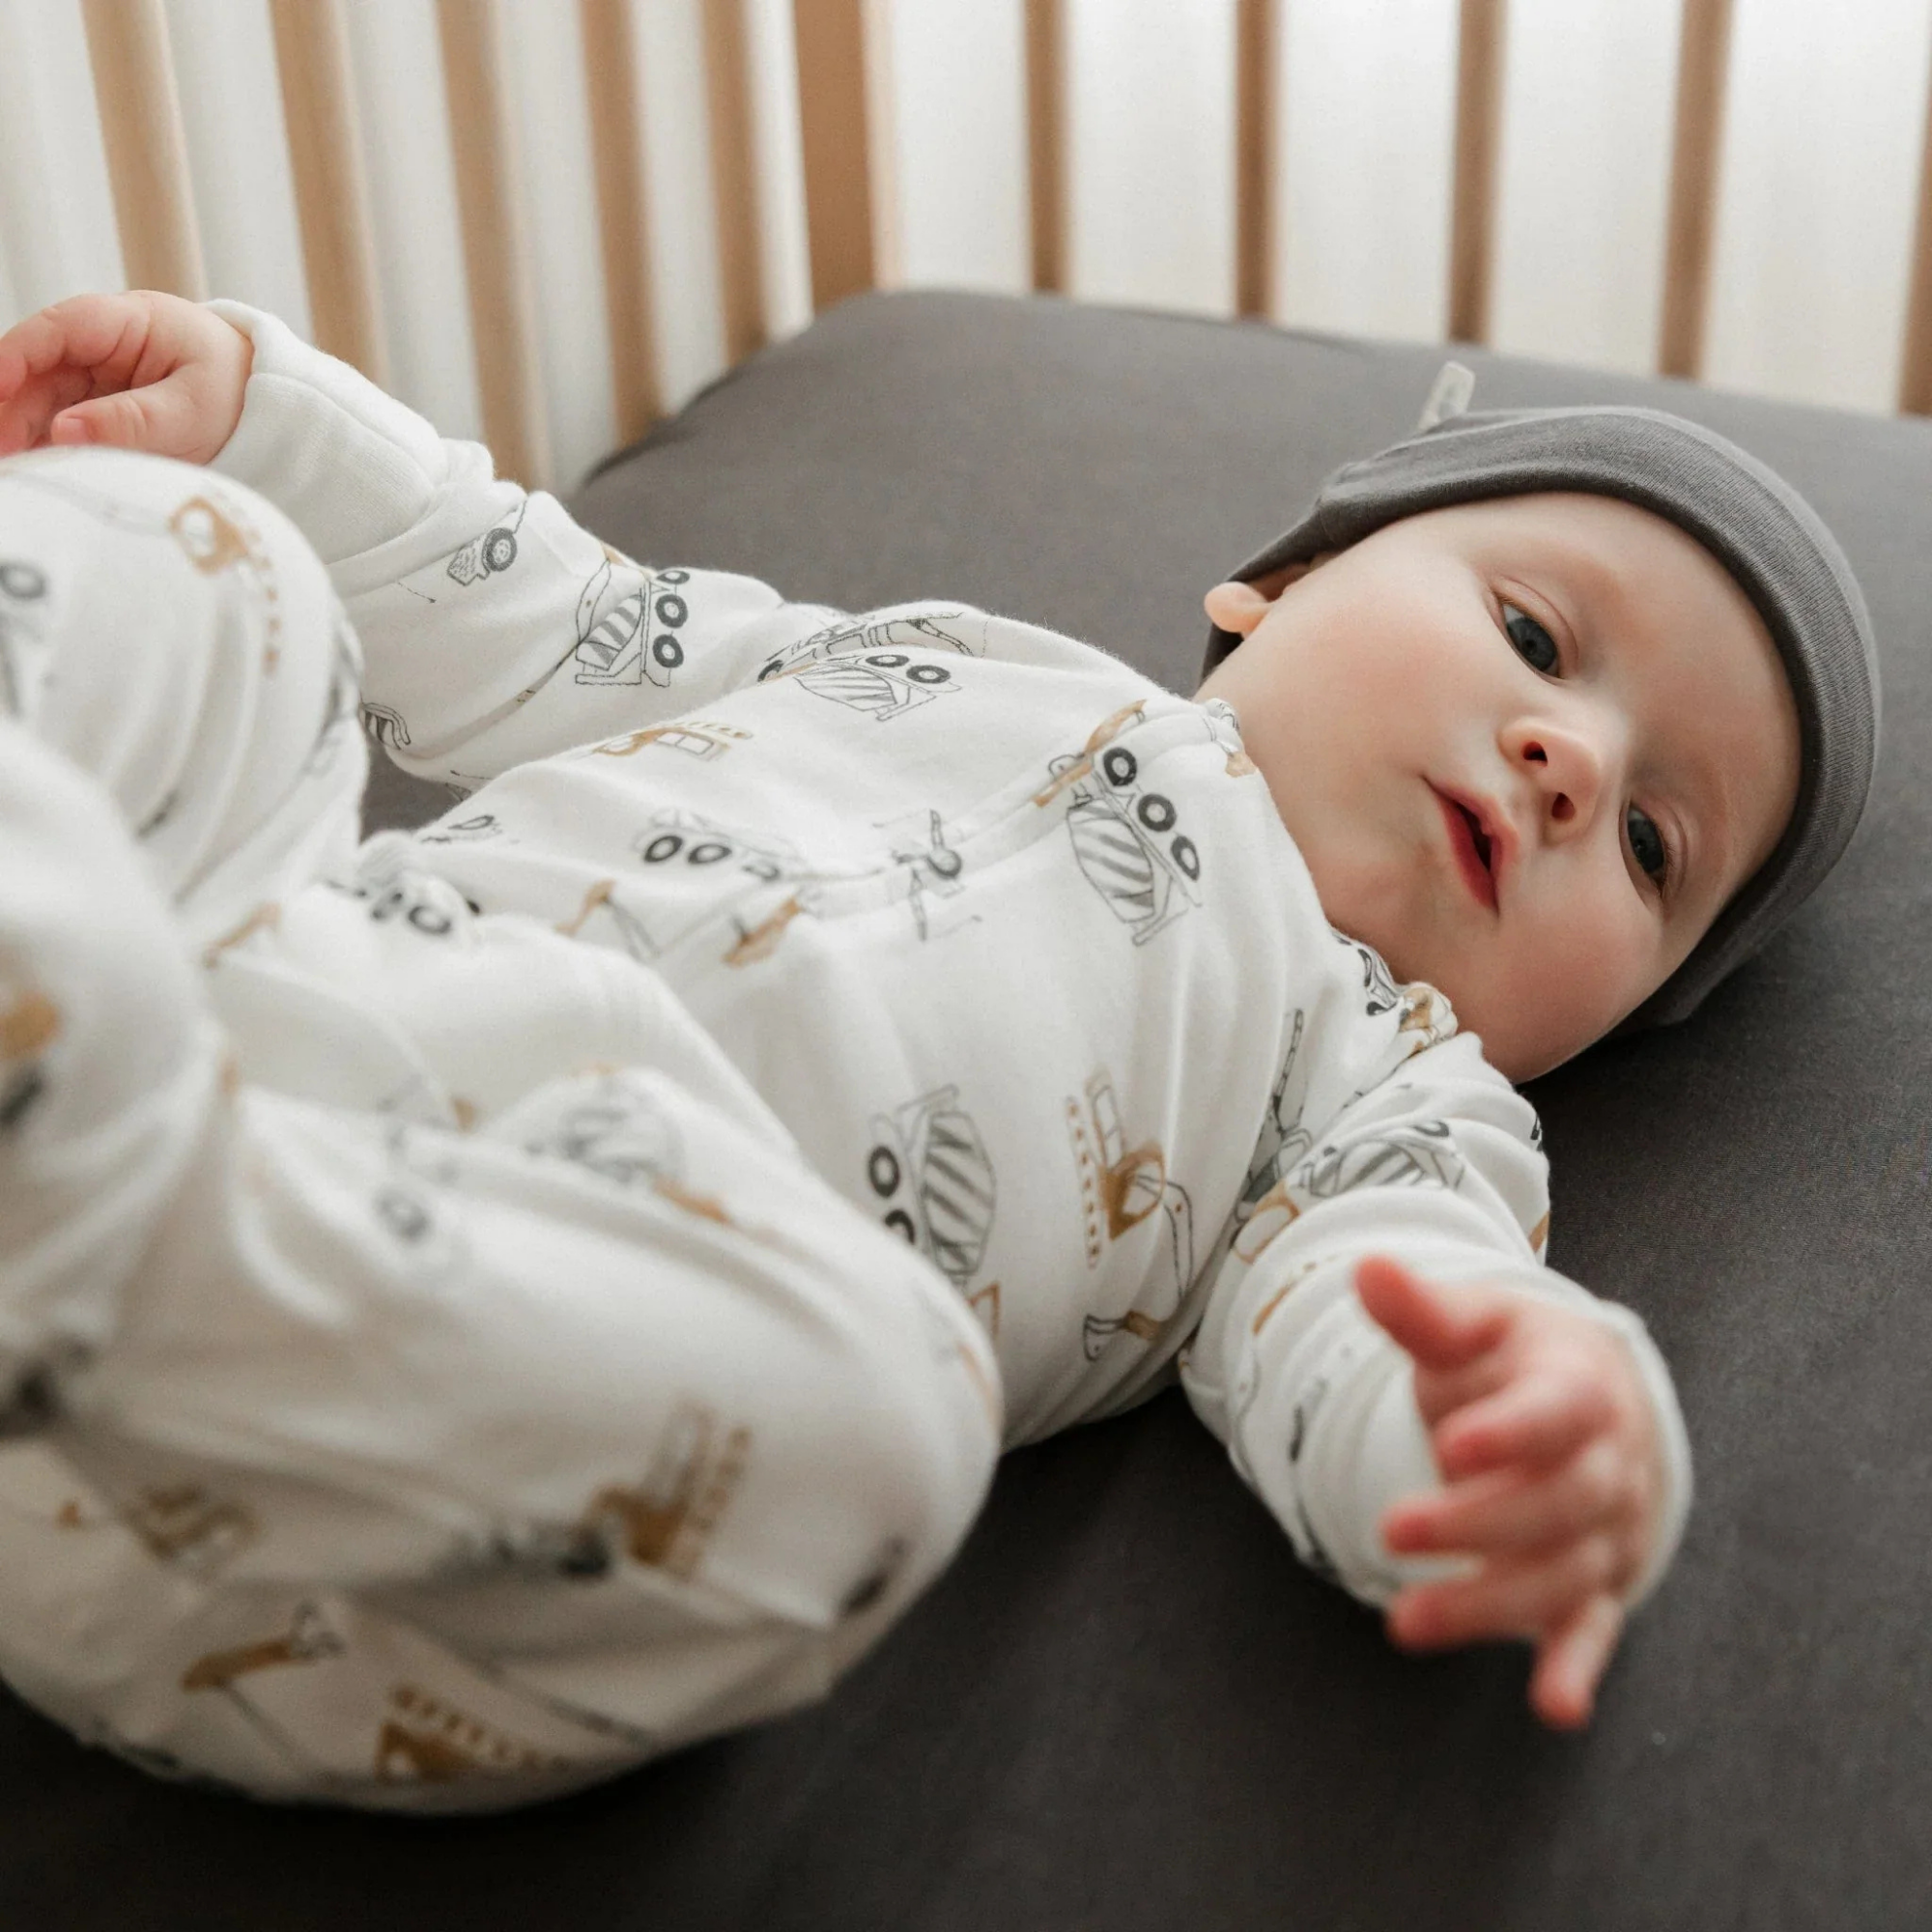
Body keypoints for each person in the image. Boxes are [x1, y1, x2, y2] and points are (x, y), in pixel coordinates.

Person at [0, 291, 1877, 1810]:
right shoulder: (953, 657)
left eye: (1655, 846)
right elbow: (557, 623)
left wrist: (1519, 1429)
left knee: (893, 1423)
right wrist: (267, 424)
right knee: (225, 579)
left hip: (336, 1506)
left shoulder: (1380, 1088)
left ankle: (126, 1216)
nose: (1573, 760)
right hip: (255, 985)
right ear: (1280, 587)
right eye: (1535, 633)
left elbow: (1389, 1312)